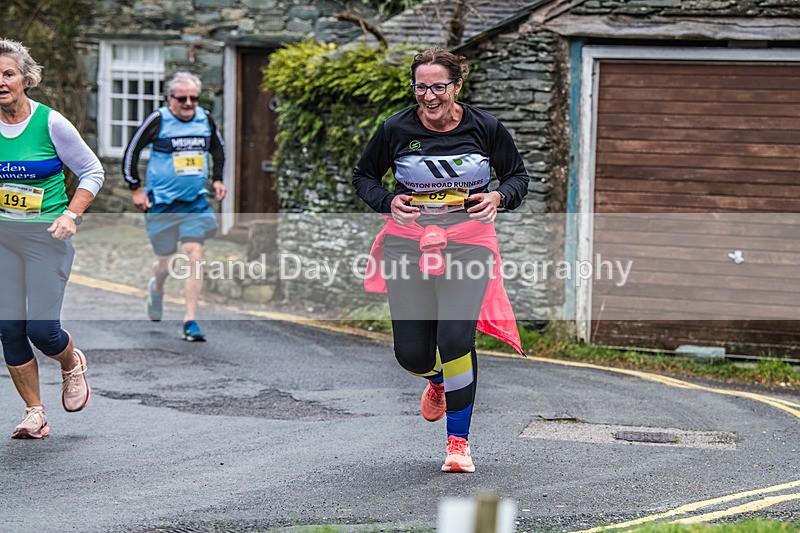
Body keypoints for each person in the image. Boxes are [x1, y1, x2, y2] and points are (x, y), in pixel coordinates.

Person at [353, 48, 529, 473]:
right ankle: (436, 382)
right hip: (408, 244)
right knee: (412, 354)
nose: (428, 96)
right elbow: (364, 178)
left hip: (468, 243)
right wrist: (389, 200)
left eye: (438, 86)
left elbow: (517, 177)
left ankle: (458, 444)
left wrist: (498, 196)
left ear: (457, 87)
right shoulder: (395, 128)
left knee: (454, 341)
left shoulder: (485, 127)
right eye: (420, 86)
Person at [0, 39, 104, 438]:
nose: (2, 82)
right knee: (9, 328)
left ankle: (69, 361)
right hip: (4, 239)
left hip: (46, 237)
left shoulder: (51, 123)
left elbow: (92, 171)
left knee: (41, 331)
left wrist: (70, 214)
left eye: (9, 74)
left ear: (26, 79)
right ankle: (34, 412)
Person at [122, 71, 226, 342]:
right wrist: (135, 187)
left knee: (194, 255)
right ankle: (156, 288)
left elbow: (218, 149)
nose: (189, 103)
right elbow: (132, 151)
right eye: (182, 98)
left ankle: (190, 319)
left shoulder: (205, 119)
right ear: (170, 99)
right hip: (162, 205)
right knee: (165, 263)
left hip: (195, 202)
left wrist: (217, 179)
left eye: (194, 98)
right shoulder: (159, 120)